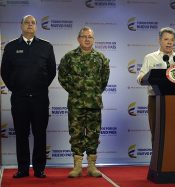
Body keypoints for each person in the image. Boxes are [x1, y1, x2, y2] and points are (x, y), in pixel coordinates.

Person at [1, 15, 56, 178]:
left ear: (36, 27)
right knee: (21, 134)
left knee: (40, 133)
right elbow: (4, 72)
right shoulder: (11, 47)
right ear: (21, 26)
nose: (30, 25)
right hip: (19, 99)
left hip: (40, 99)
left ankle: (39, 169)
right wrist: (16, 88)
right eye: (27, 22)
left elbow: (52, 71)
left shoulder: (46, 47)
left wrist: (39, 87)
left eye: (33, 23)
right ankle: (23, 169)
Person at [58, 26, 110, 178]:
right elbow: (62, 77)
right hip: (76, 103)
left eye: (90, 37)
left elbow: (104, 79)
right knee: (76, 134)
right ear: (78, 39)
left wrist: (93, 91)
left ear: (93, 39)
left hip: (94, 103)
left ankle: (92, 166)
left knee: (93, 134)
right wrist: (75, 91)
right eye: (84, 36)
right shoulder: (69, 57)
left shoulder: (101, 58)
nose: (87, 39)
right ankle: (78, 166)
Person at [137, 27, 175, 145]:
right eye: (166, 39)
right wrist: (146, 78)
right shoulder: (150, 57)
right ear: (159, 40)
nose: (169, 42)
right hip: (155, 99)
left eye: (172, 40)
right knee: (156, 133)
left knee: (174, 133)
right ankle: (157, 163)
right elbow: (140, 77)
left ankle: (173, 161)